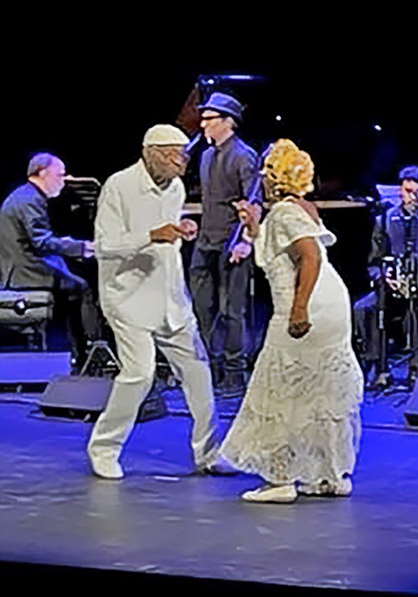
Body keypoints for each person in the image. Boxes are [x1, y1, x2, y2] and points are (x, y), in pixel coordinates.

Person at [220, 140, 363, 503]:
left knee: (280, 387)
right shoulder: (302, 207)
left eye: (267, 172)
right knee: (321, 388)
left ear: (275, 178)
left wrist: (299, 309)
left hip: (306, 303)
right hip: (332, 303)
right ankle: (329, 475)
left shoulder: (284, 213)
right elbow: (279, 255)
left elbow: (310, 257)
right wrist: (253, 227)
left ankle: (280, 479)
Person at [88, 126, 220, 480]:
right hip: (128, 298)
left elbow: (168, 232)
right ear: (152, 152)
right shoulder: (119, 186)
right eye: (175, 154)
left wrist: (181, 228)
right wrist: (151, 235)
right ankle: (104, 448)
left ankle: (209, 454)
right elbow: (104, 246)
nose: (182, 162)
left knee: (198, 373)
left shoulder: (175, 188)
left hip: (171, 297)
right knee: (139, 374)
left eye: (184, 155)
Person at [188, 90, 260, 396]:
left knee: (233, 310)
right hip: (206, 239)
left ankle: (234, 372)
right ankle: (207, 367)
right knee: (201, 307)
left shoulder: (243, 155)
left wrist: (246, 242)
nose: (203, 125)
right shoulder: (205, 156)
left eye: (209, 119)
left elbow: (254, 202)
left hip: (232, 242)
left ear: (227, 122)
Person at [353, 165, 418, 383]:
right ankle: (377, 365)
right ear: (400, 191)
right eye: (409, 191)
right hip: (392, 289)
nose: (414, 197)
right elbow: (373, 262)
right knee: (366, 307)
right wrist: (383, 276)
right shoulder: (385, 220)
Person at [0, 152, 100, 366]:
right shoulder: (29, 200)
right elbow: (42, 242)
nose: (63, 181)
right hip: (24, 272)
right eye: (60, 175)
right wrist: (80, 247)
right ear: (43, 173)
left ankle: (76, 351)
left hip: (25, 266)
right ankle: (91, 351)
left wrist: (74, 250)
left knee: (72, 279)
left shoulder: (25, 196)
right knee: (81, 288)